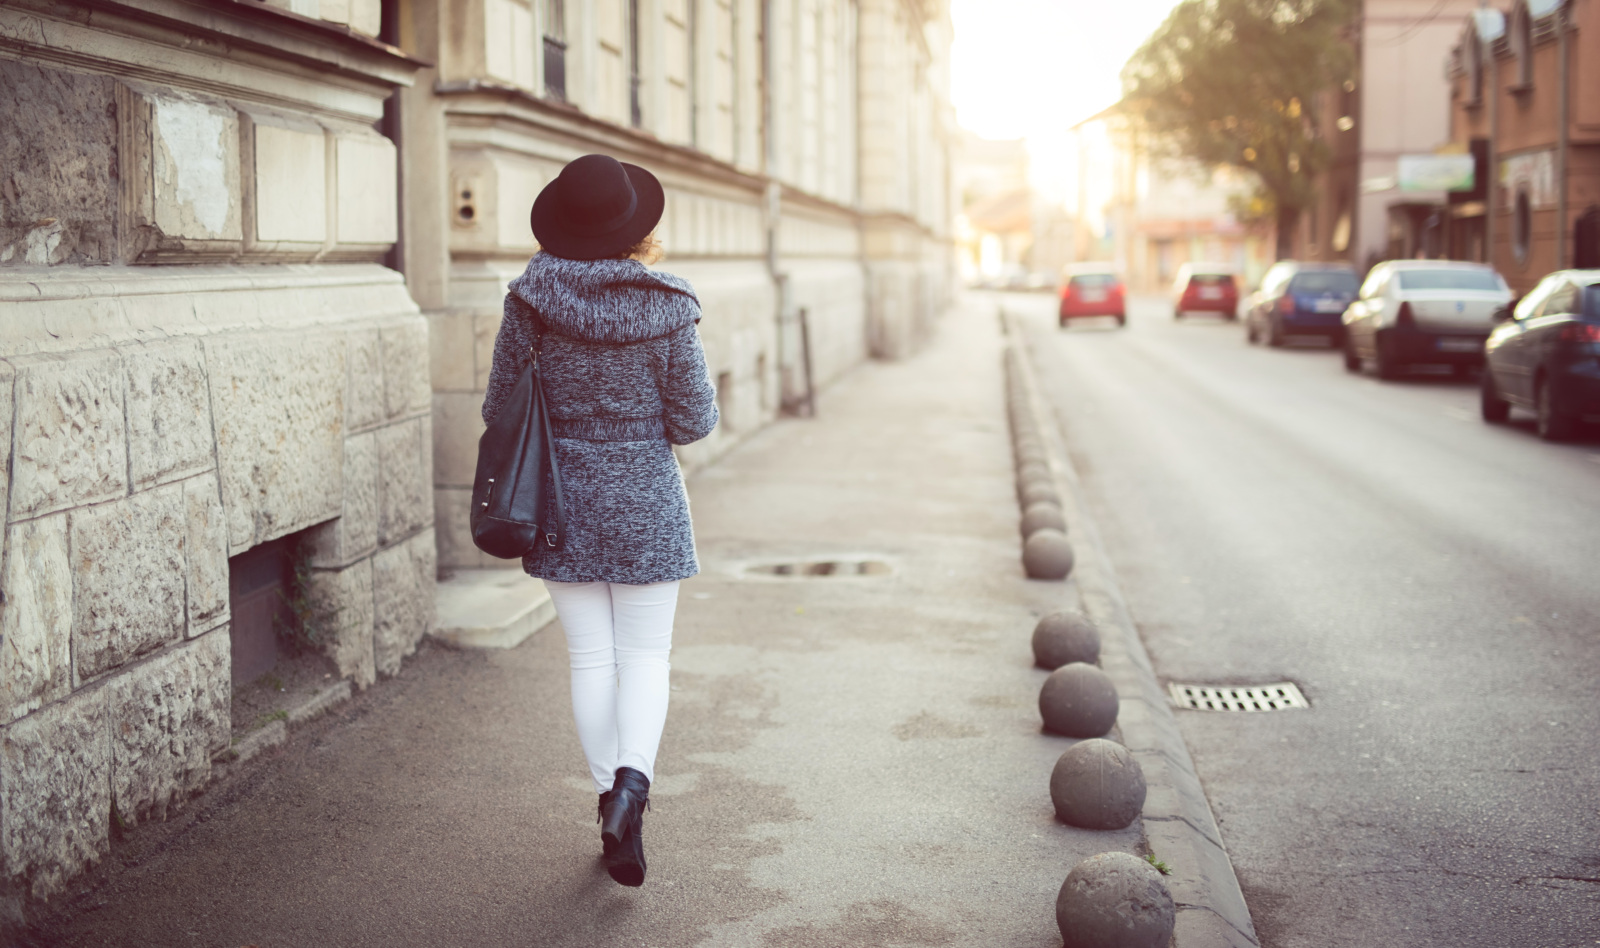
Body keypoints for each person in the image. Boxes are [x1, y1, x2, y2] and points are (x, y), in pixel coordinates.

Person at [481, 153, 718, 887]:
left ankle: (608, 806)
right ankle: (632, 791)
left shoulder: (529, 301)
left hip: (559, 500)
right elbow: (694, 421)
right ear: (635, 228)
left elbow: (499, 409)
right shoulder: (670, 307)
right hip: (645, 497)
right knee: (646, 656)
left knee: (591, 659)